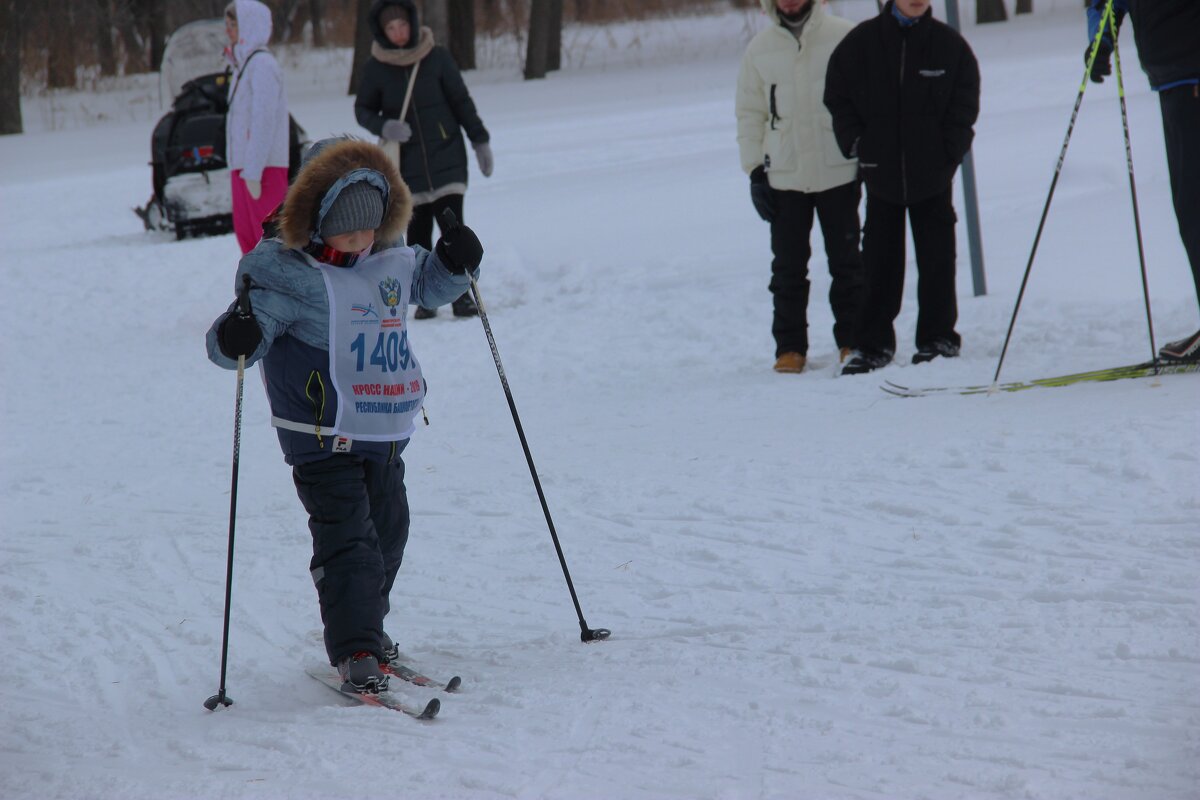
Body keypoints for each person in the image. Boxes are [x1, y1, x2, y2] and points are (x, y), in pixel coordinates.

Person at [205, 137, 484, 692]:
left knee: (388, 534)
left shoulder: (388, 258)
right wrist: (239, 336)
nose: (360, 242)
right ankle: (355, 646)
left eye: (370, 228)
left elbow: (432, 283)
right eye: (347, 229)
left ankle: (369, 630)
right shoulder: (288, 274)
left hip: (383, 432)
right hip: (320, 435)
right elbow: (234, 341)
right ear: (314, 221)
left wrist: (457, 260)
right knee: (349, 542)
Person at [823, 0, 980, 375]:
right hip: (882, 178)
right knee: (879, 262)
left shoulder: (949, 46)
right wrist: (859, 145)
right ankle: (872, 345)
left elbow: (964, 105)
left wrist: (947, 154)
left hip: (932, 176)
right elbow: (837, 97)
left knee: (938, 258)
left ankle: (938, 338)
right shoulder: (860, 44)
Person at [736, 0, 864, 374]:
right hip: (785, 177)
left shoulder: (844, 36)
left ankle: (852, 340)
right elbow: (749, 114)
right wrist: (755, 171)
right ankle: (790, 348)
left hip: (838, 170)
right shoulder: (759, 49)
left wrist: (865, 151)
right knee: (788, 269)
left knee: (848, 265)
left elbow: (865, 100)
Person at [355, 0, 493, 320]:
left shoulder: (437, 57)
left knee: (454, 229)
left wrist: (480, 139)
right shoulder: (375, 67)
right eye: (391, 28)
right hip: (407, 165)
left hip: (447, 154)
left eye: (403, 25)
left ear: (413, 24)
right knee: (417, 235)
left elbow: (461, 101)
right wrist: (384, 125)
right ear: (382, 31)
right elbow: (362, 109)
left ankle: (462, 294)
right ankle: (426, 301)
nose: (399, 32)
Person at [1085, 0, 1200, 363]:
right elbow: (1105, 5)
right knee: (1192, 210)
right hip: (1176, 81)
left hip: (1190, 72)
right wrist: (1100, 41)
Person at [223, 0, 290, 256]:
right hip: (243, 168)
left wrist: (253, 170)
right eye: (227, 24)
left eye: (234, 24)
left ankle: (275, 294)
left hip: (263, 169)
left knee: (270, 244)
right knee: (248, 243)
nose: (228, 30)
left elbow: (264, 120)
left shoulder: (262, 65)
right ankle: (253, 294)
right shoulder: (243, 66)